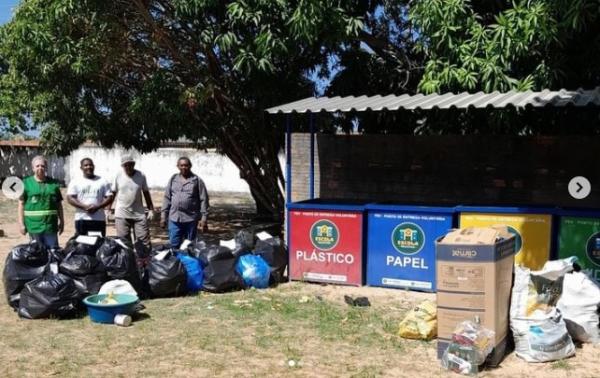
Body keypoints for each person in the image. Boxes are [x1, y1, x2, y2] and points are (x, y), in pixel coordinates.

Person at [111, 155, 155, 265]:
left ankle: (144, 265)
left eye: (131, 164)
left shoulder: (141, 175)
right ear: (123, 166)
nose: (129, 167)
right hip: (122, 213)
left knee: (143, 242)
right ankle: (128, 264)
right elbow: (113, 193)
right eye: (126, 165)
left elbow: (145, 192)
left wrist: (151, 209)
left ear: (134, 164)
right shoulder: (118, 176)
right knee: (124, 241)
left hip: (138, 214)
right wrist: (108, 209)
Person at [161, 157, 209, 248]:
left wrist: (204, 219)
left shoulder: (197, 180)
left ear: (190, 166)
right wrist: (163, 216)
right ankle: (175, 261)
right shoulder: (173, 179)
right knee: (174, 244)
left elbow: (204, 200)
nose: (184, 167)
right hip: (174, 218)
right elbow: (167, 198)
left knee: (189, 245)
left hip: (190, 219)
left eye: (186, 165)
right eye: (181, 165)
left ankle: (187, 262)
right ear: (178, 166)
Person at [18, 155, 64, 248]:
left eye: (42, 166)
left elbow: (59, 205)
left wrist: (62, 222)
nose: (40, 168)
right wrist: (21, 224)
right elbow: (21, 204)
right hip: (33, 226)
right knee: (37, 254)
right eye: (37, 166)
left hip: (51, 226)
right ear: (33, 168)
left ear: (46, 168)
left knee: (53, 252)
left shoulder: (53, 184)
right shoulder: (26, 183)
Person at [66, 158, 113, 236]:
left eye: (90, 165)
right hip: (81, 219)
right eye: (85, 165)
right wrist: (84, 207)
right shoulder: (75, 181)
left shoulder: (103, 181)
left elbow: (109, 197)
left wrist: (97, 207)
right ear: (81, 168)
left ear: (94, 166)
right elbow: (70, 198)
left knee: (98, 244)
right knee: (82, 244)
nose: (88, 167)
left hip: (98, 219)